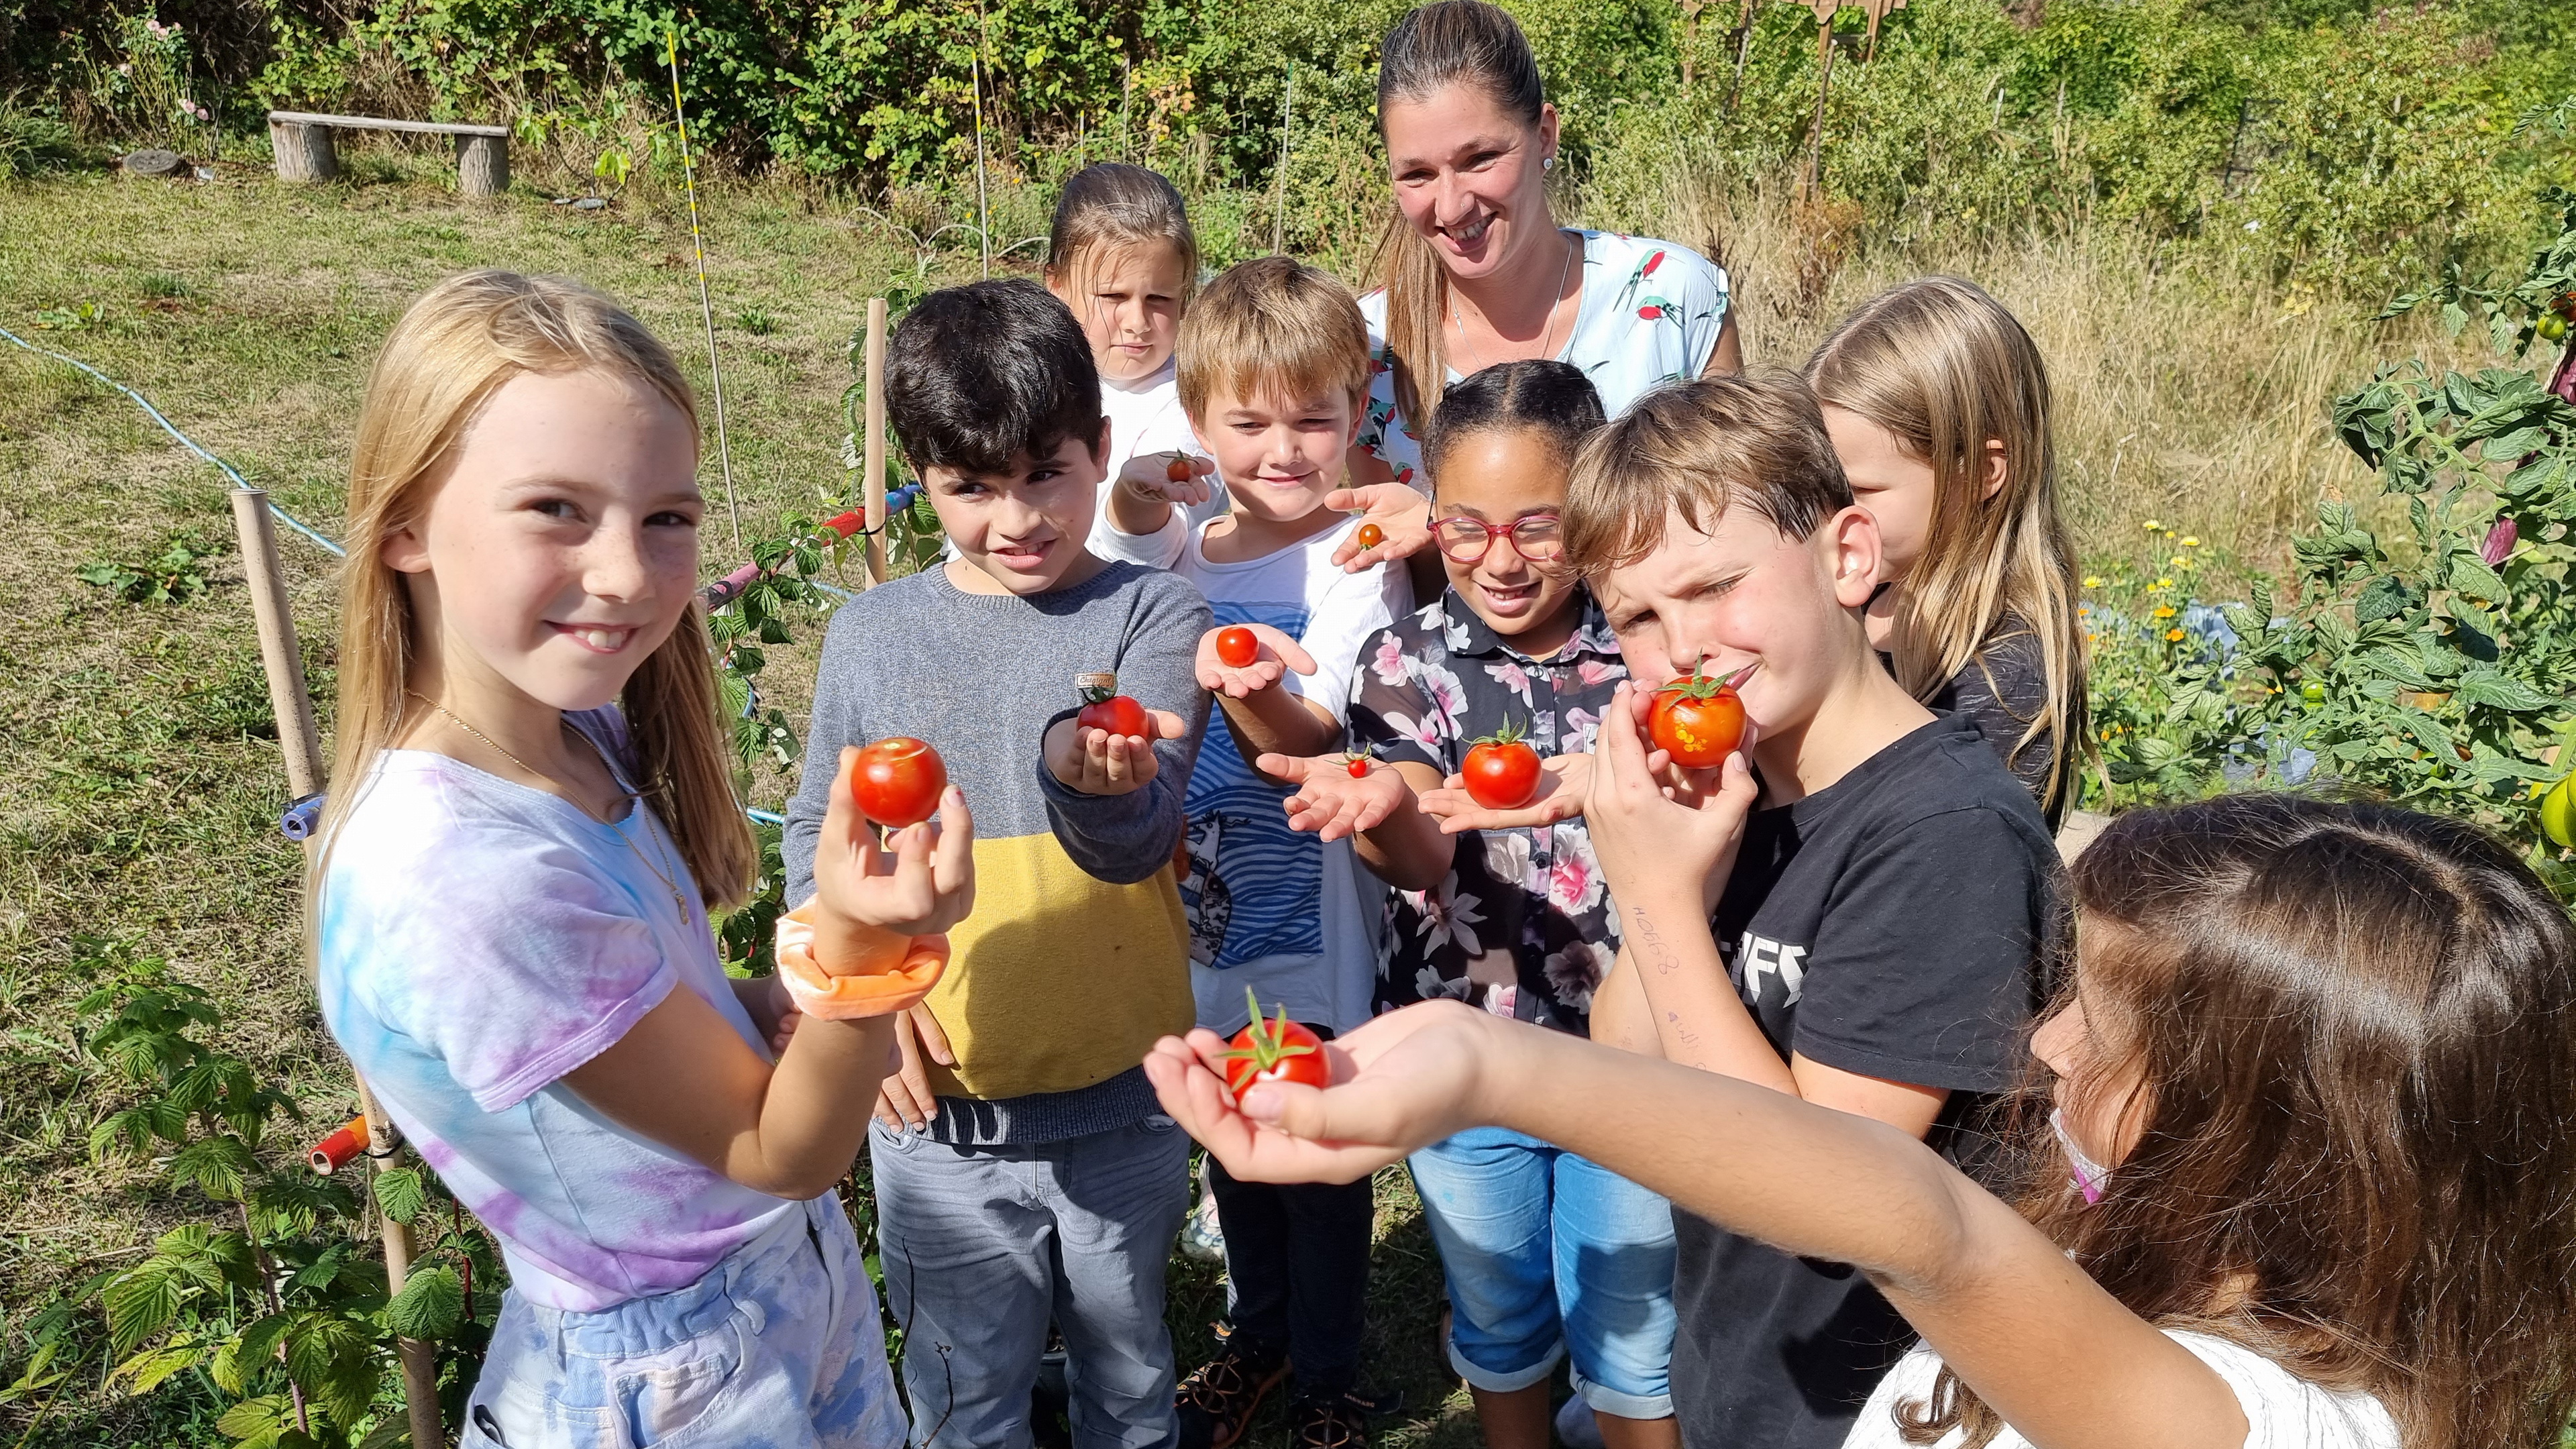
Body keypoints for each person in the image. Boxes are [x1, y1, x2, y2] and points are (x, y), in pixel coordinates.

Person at [1144, 792, 2576, 1449]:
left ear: (2251, 1125)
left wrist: (1484, 1065)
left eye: (2093, 1013)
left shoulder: (2264, 1426)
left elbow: (1932, 1231)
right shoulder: (2170, 1287)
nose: (2041, 1036)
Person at [312, 271, 972, 1449]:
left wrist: (767, 1006)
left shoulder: (574, 738)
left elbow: (665, 1037)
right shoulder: (464, 879)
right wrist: (865, 963)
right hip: (680, 1384)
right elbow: (783, 1150)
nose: (624, 572)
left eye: (666, 516)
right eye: (557, 509)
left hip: (770, 1306)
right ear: (403, 521)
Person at [1578, 374, 2054, 1448]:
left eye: (1713, 587)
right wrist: (1676, 883)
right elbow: (1625, 1061)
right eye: (1639, 619)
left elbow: (1832, 1191)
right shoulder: (1740, 799)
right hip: (1740, 1368)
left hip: (1882, 1404)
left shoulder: (1945, 833)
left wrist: (1654, 898)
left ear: (1846, 557)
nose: (1684, 646)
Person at [784, 278, 1212, 1449]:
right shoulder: (870, 637)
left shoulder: (1154, 618)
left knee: (1132, 1379)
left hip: (1125, 1099)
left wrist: (1084, 781)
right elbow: (811, 836)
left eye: (1046, 475)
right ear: (919, 479)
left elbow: (1138, 841)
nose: (1015, 517)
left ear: (1101, 450)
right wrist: (854, 999)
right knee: (969, 1400)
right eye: (970, 487)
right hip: (941, 1125)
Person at [1254, 360, 1682, 1449]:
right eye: (1467, 527)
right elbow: (1417, 862)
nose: (1500, 559)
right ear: (1431, 519)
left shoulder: (1649, 656)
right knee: (1499, 1324)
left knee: (1636, 1348)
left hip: (1632, 1065)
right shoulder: (1405, 659)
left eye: (1538, 526)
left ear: (1592, 506)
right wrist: (1386, 806)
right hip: (1466, 1069)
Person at [1092, 255, 1410, 1449]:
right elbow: (1116, 560)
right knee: (1233, 1121)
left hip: (1316, 906)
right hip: (1205, 903)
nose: (1283, 450)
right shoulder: (1183, 552)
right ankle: (1257, 1339)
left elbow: (1317, 721)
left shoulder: (1353, 559)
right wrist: (1134, 495)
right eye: (1249, 422)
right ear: (1195, 423)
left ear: (1354, 410)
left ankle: (1330, 1367)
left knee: (1318, 1139)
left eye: (1313, 420)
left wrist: (1242, 686)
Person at [1332, 0, 1741, 585]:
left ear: (1545, 134)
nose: (1451, 207)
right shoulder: (1369, 348)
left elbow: (1737, 522)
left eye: (1480, 159)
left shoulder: (1673, 300)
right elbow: (1398, 586)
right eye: (1417, 174)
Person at [1805, 277, 2087, 826]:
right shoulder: (1869, 593)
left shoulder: (2005, 675)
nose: (1830, 518)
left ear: (1981, 473)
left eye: (1857, 492)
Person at [1042, 161, 1228, 540]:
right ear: (1056, 285)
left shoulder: (1197, 409)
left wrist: (1136, 502)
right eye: (1114, 296)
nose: (1138, 322)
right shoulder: (1032, 376)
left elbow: (1162, 549)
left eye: (1159, 298)